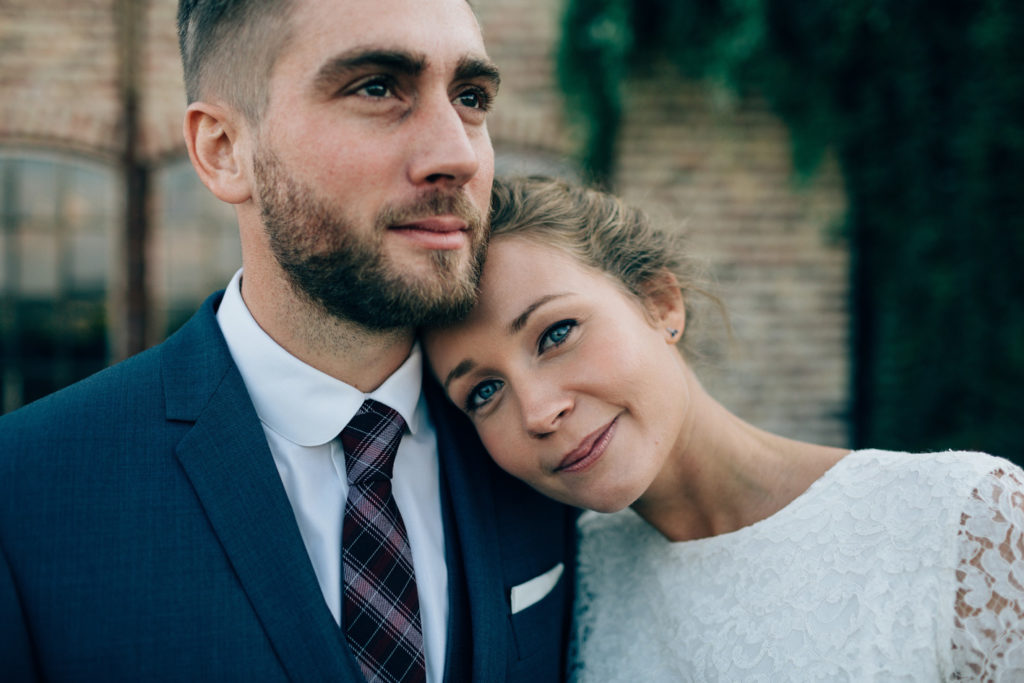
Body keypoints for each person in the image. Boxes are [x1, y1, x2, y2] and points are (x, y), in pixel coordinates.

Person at [0, 3, 575, 681]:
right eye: (377, 88)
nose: (458, 154)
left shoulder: (556, 441)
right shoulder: (25, 494)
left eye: (471, 98)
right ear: (223, 150)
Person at [424, 176, 1024, 681]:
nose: (537, 412)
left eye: (556, 334)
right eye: (483, 392)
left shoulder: (967, 520)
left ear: (661, 304)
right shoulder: (575, 580)